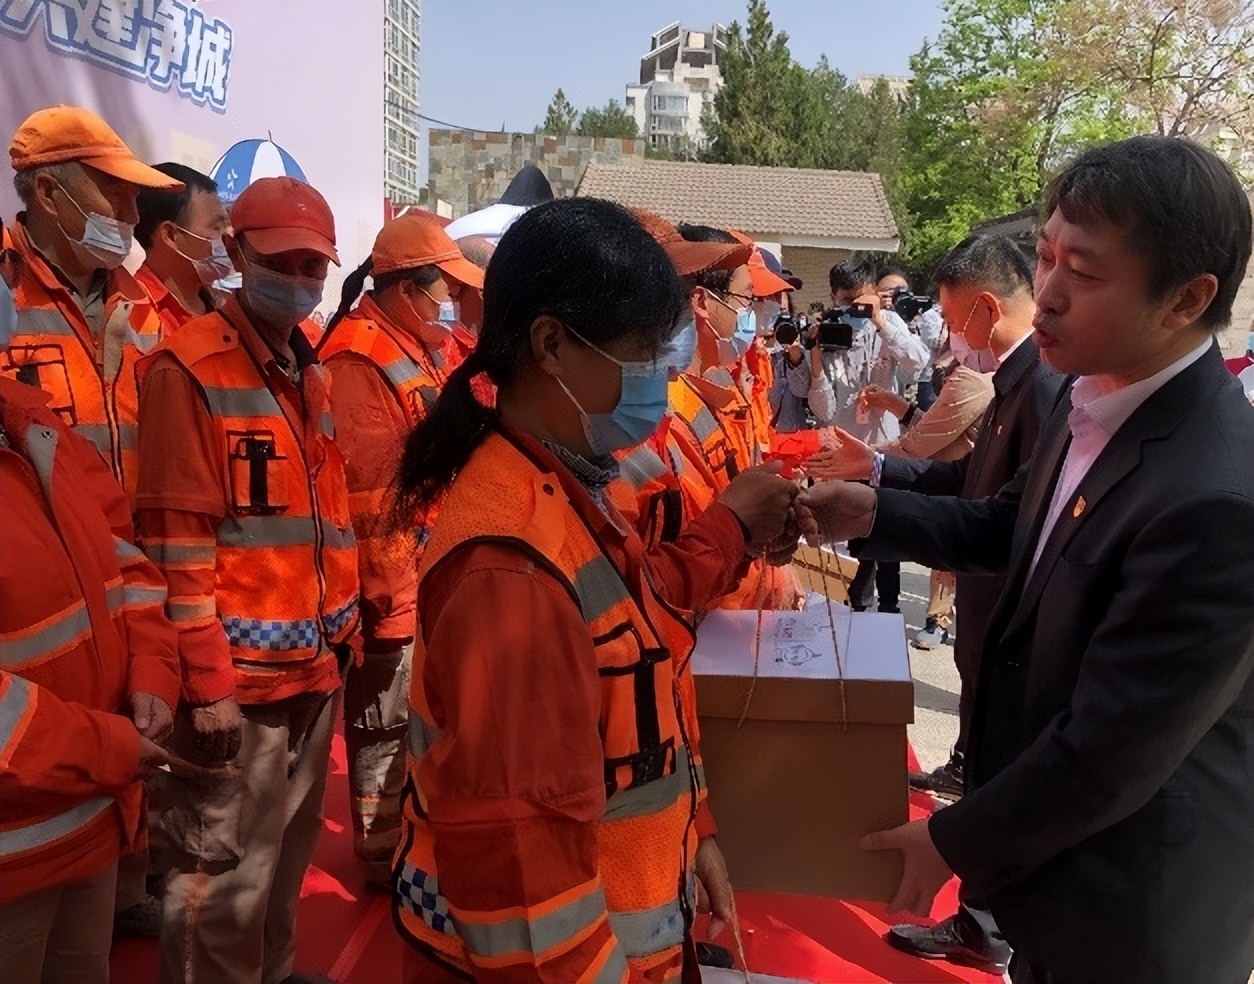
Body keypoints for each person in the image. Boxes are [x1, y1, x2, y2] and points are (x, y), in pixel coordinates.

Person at [802, 136, 1254, 984]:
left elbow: (1114, 747)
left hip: (1136, 900)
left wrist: (950, 841)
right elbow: (1013, 529)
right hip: (1058, 869)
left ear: (1186, 299)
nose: (1041, 295)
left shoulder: (1217, 497)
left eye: (1081, 272)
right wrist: (873, 510)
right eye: (1044, 258)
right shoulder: (1092, 400)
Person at [390, 198, 799, 983]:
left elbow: (647, 654)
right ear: (551, 344)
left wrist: (694, 825)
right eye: (644, 349)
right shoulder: (508, 567)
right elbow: (524, 886)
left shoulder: (573, 488)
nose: (665, 371)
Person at [135, 176, 361, 984]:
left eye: (314, 265)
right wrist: (207, 682)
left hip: (313, 670)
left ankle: (275, 973)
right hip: (238, 693)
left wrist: (345, 634)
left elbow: (319, 523)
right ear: (235, 254)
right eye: (284, 261)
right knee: (219, 881)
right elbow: (175, 543)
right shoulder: (187, 372)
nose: (301, 279)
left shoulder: (310, 371)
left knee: (279, 873)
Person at [1, 282, 181, 982]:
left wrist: (154, 675)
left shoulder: (29, 420)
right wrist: (109, 746)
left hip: (86, 823)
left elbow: (123, 557)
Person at [316, 213, 484, 888]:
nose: (453, 303)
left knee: (414, 727)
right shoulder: (359, 360)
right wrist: (391, 609)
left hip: (428, 578)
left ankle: (405, 842)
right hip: (395, 589)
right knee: (383, 728)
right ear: (403, 287)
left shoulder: (416, 347)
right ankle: (383, 857)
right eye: (446, 288)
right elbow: (371, 503)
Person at [1, 106, 183, 502]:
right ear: (49, 193)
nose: (133, 216)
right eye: (117, 195)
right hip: (38, 555)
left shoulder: (143, 304)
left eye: (135, 199)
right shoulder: (5, 291)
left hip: (133, 557)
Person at [133, 163, 231, 338]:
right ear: (170, 235)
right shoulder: (135, 309)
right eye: (217, 227)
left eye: (227, 225)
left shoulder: (224, 307)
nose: (228, 237)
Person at [878, 267, 947, 411]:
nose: (897, 297)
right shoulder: (873, 324)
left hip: (924, 384)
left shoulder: (928, 317)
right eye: (889, 292)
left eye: (901, 291)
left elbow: (912, 369)